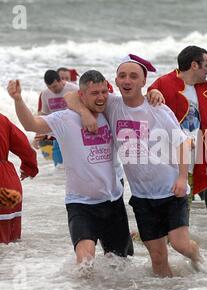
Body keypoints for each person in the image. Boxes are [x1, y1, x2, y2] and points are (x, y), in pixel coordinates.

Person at [65, 54, 202, 277]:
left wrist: (181, 177)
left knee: (180, 245)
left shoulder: (157, 109)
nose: (127, 80)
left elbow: (183, 143)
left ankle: (199, 259)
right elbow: (72, 95)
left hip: (170, 190)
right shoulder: (111, 104)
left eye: (133, 76)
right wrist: (83, 113)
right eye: (122, 76)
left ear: (143, 82)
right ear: (116, 82)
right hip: (142, 197)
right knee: (157, 258)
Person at [7, 71, 133, 272]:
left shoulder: (110, 113)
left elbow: (134, 102)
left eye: (103, 92)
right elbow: (31, 124)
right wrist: (18, 100)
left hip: (112, 201)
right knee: (85, 262)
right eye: (94, 93)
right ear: (81, 96)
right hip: (80, 203)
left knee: (121, 264)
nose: (101, 97)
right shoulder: (64, 119)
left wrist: (154, 94)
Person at [147, 46, 207, 211]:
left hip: (190, 163)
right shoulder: (165, 83)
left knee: (183, 211)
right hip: (166, 163)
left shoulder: (204, 90)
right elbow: (149, 98)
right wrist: (153, 92)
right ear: (194, 65)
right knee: (161, 213)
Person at [0, 113, 38, 244]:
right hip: (9, 185)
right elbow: (26, 147)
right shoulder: (2, 119)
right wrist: (29, 167)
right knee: (12, 247)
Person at [34, 70, 79, 167]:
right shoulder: (45, 94)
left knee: (75, 162)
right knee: (59, 165)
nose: (53, 90)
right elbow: (44, 115)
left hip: (74, 130)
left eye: (54, 86)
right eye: (50, 88)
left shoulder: (73, 89)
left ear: (60, 81)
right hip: (56, 132)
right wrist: (37, 136)